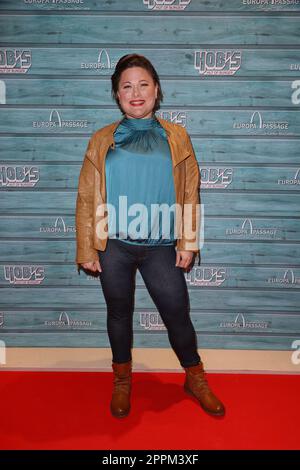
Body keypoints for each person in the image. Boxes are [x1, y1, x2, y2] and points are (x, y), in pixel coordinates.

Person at [75, 54, 225, 419]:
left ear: (156, 90)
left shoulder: (177, 136)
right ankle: (122, 382)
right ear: (117, 95)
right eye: (126, 86)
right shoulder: (101, 139)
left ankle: (195, 377)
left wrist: (188, 241)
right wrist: (86, 247)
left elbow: (191, 191)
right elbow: (86, 194)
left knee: (176, 312)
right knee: (119, 313)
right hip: (114, 244)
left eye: (143, 84)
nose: (135, 92)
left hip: (161, 245)